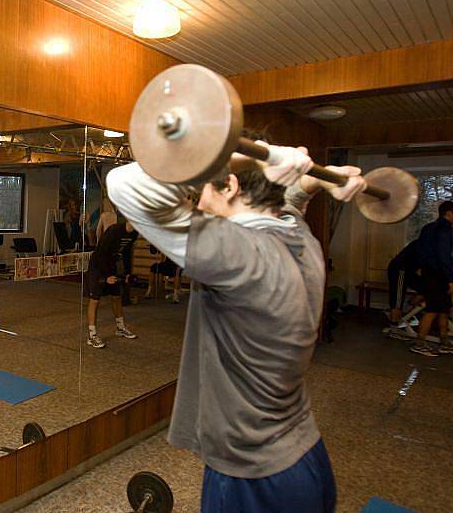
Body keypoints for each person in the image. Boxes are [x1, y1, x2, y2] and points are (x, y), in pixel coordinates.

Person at [107, 135, 366, 512]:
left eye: (202, 191)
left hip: (253, 477)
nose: (197, 203)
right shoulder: (300, 241)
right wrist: (313, 181)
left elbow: (123, 184)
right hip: (304, 456)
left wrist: (234, 157)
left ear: (228, 186)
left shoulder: (239, 253)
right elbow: (287, 207)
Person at [84, 220, 139, 348]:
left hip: (111, 264)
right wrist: (107, 275)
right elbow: (102, 253)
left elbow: (126, 253)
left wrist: (127, 273)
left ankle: (120, 328)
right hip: (97, 265)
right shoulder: (114, 231)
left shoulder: (134, 234)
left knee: (116, 297)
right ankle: (92, 336)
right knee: (94, 299)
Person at [411, 201, 453, 356]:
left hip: (429, 273)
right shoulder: (445, 229)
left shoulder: (428, 228)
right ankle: (419, 343)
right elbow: (444, 256)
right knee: (434, 309)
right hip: (438, 274)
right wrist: (451, 279)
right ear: (449, 213)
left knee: (443, 309)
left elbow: (420, 251)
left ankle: (444, 341)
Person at [386, 239, 422, 326]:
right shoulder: (425, 244)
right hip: (400, 269)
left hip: (410, 270)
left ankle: (407, 315)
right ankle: (394, 324)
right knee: (398, 299)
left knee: (428, 290)